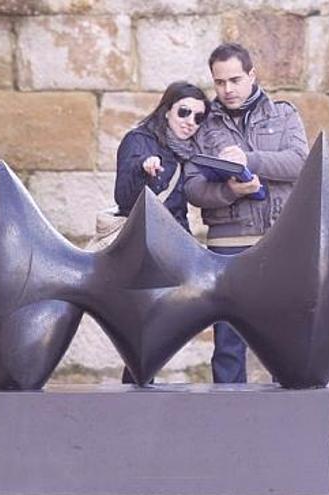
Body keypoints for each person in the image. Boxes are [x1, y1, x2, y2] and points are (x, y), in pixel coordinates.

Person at [184, 42, 309, 384]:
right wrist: (228, 191)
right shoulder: (204, 123)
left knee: (285, 333)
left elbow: (300, 163)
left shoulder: (283, 114)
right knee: (228, 340)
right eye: (220, 82)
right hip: (227, 244)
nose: (227, 89)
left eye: (235, 80)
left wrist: (247, 160)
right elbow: (192, 188)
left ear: (252, 75)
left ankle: (288, 416)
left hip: (278, 240)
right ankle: (228, 422)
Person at [114, 80, 209, 384]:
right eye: (184, 113)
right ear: (167, 110)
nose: (190, 122)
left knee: (158, 324)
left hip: (170, 250)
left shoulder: (188, 151)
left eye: (198, 117)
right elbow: (124, 199)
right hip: (140, 250)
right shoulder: (139, 141)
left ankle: (140, 383)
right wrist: (144, 169)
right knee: (144, 325)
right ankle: (137, 385)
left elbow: (178, 210)